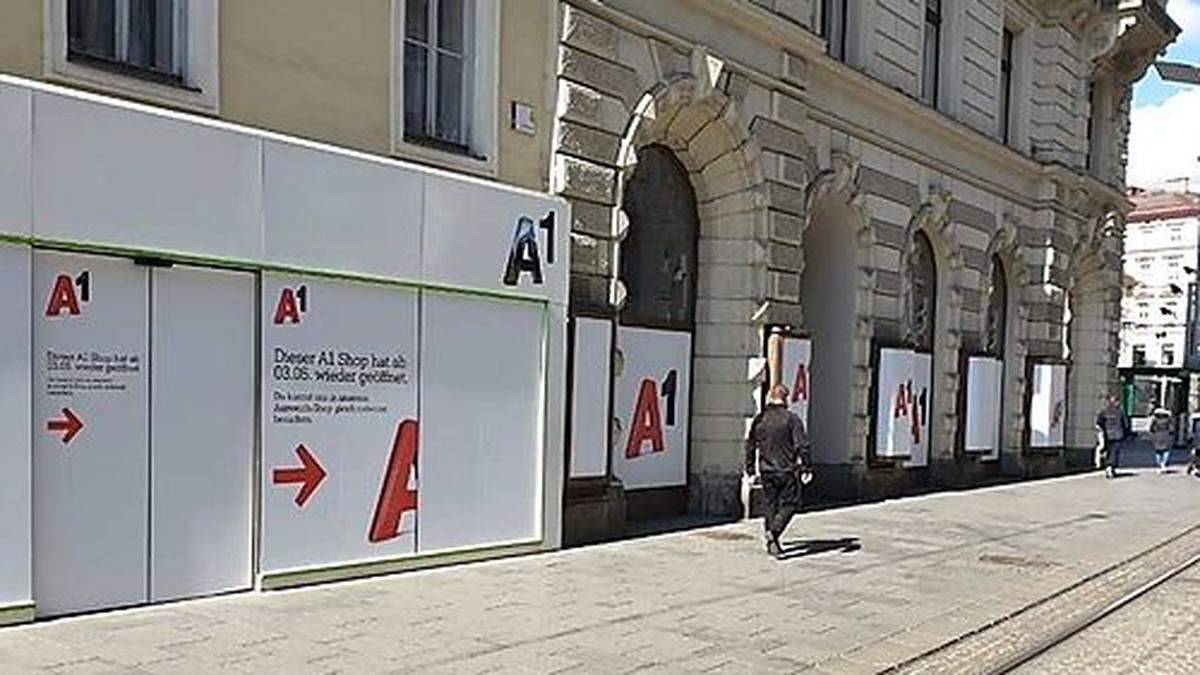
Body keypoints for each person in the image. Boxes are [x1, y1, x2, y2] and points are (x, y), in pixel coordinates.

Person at [745, 384, 811, 558]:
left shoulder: (760, 419)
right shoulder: (791, 419)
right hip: (786, 469)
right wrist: (806, 466)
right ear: (786, 398)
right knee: (790, 504)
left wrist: (750, 469)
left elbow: (750, 445)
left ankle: (772, 543)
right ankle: (774, 531)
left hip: (766, 470)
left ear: (769, 397)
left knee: (770, 504)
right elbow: (802, 445)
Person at [1095, 394, 1130, 479]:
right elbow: (1125, 424)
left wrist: (1103, 430)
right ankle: (1111, 467)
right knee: (1115, 452)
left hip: (1107, 434)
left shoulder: (1104, 411)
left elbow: (1099, 422)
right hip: (1118, 435)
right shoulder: (1120, 412)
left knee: (1109, 451)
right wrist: (1126, 434)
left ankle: (1108, 467)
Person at [1149, 408, 1174, 473]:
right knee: (1166, 451)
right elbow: (1172, 429)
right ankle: (1164, 464)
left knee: (1158, 451)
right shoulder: (1168, 420)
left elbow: (1151, 429)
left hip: (1157, 436)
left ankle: (1159, 465)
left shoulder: (1155, 420)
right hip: (1166, 436)